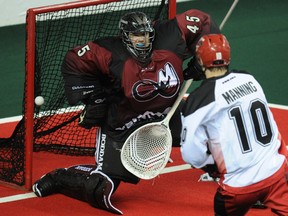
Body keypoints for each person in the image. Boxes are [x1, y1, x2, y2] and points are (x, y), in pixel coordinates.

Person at [32, 10, 220, 214]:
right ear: (125, 36)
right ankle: (59, 177)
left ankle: (234, 184)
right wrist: (93, 96)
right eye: (136, 35)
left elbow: (202, 20)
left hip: (167, 112)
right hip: (122, 124)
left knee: (214, 136)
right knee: (99, 187)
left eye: (147, 34)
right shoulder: (106, 51)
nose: (143, 40)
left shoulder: (169, 38)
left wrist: (202, 60)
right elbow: (73, 60)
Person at [180, 33, 288, 216]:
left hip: (239, 187)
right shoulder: (248, 78)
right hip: (276, 173)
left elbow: (192, 154)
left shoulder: (198, 99)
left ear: (199, 60)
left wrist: (211, 165)